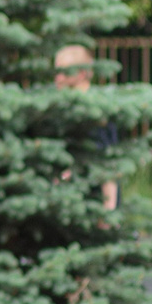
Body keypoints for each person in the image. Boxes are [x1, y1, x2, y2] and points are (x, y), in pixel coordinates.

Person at [53, 43, 122, 211]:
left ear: (82, 73)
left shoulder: (95, 113)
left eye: (64, 72)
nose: (58, 78)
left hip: (94, 205)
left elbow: (108, 164)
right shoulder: (61, 109)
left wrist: (108, 209)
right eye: (56, 72)